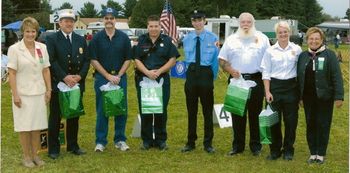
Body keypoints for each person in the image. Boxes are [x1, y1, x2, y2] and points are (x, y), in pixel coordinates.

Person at [218, 12, 270, 156]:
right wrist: (230, 69)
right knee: (237, 114)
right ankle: (237, 146)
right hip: (236, 81)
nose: (246, 24)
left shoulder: (263, 39)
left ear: (253, 23)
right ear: (239, 23)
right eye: (243, 22)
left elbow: (268, 62)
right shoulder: (231, 39)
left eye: (248, 22)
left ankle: (255, 146)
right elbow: (222, 60)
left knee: (255, 114)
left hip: (256, 80)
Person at [7, 17, 51, 168]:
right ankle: (26, 156)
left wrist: (49, 89)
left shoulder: (42, 48)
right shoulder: (14, 49)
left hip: (39, 93)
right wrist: (16, 95)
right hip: (23, 94)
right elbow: (11, 73)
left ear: (37, 32)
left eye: (33, 31)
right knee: (25, 127)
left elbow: (46, 70)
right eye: (27, 31)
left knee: (37, 126)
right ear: (22, 32)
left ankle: (35, 155)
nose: (30, 34)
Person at [46, 9, 90, 159]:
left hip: (76, 85)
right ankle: (53, 149)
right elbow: (51, 61)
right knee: (55, 117)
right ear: (60, 23)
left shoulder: (80, 39)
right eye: (66, 21)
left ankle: (73, 145)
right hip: (59, 84)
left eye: (71, 21)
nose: (69, 23)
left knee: (73, 116)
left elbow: (86, 60)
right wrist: (65, 77)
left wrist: (79, 76)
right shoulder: (52, 39)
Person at [297, 27, 343, 164]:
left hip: (325, 97)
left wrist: (339, 96)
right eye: (311, 38)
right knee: (310, 124)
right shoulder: (302, 56)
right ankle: (313, 152)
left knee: (323, 124)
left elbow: (337, 77)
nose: (314, 41)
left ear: (322, 40)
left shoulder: (330, 55)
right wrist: (299, 97)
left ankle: (321, 153)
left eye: (317, 38)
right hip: (308, 98)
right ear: (307, 40)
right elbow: (298, 78)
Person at [134, 15, 180, 150]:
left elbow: (172, 59)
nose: (153, 29)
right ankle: (147, 141)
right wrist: (148, 73)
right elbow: (136, 59)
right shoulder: (141, 40)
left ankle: (161, 140)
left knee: (161, 110)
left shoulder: (166, 41)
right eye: (151, 26)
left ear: (160, 27)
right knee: (146, 110)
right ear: (147, 27)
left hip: (161, 79)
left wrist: (159, 71)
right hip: (144, 79)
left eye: (156, 26)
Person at [89, 7, 132, 152]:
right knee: (103, 110)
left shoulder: (124, 38)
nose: (109, 21)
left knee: (121, 109)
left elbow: (128, 59)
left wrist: (118, 75)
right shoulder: (96, 38)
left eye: (111, 18)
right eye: (106, 18)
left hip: (120, 78)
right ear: (103, 20)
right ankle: (101, 141)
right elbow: (93, 60)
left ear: (115, 20)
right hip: (102, 78)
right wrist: (108, 76)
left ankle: (120, 140)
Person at [260, 21, 302, 160]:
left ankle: (288, 150)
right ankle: (275, 150)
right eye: (280, 32)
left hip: (291, 88)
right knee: (273, 121)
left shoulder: (297, 49)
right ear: (276, 34)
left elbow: (301, 71)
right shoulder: (270, 51)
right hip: (275, 89)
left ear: (289, 33)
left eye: (285, 32)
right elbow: (266, 73)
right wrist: (267, 92)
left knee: (291, 122)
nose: (283, 34)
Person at [180, 10, 219, 154]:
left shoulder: (213, 37)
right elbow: (186, 59)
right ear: (192, 22)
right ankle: (191, 142)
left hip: (205, 74)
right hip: (191, 75)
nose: (197, 22)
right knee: (192, 111)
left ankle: (208, 143)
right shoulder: (187, 38)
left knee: (207, 111)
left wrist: (211, 78)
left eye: (200, 20)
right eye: (194, 20)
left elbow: (215, 61)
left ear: (205, 21)